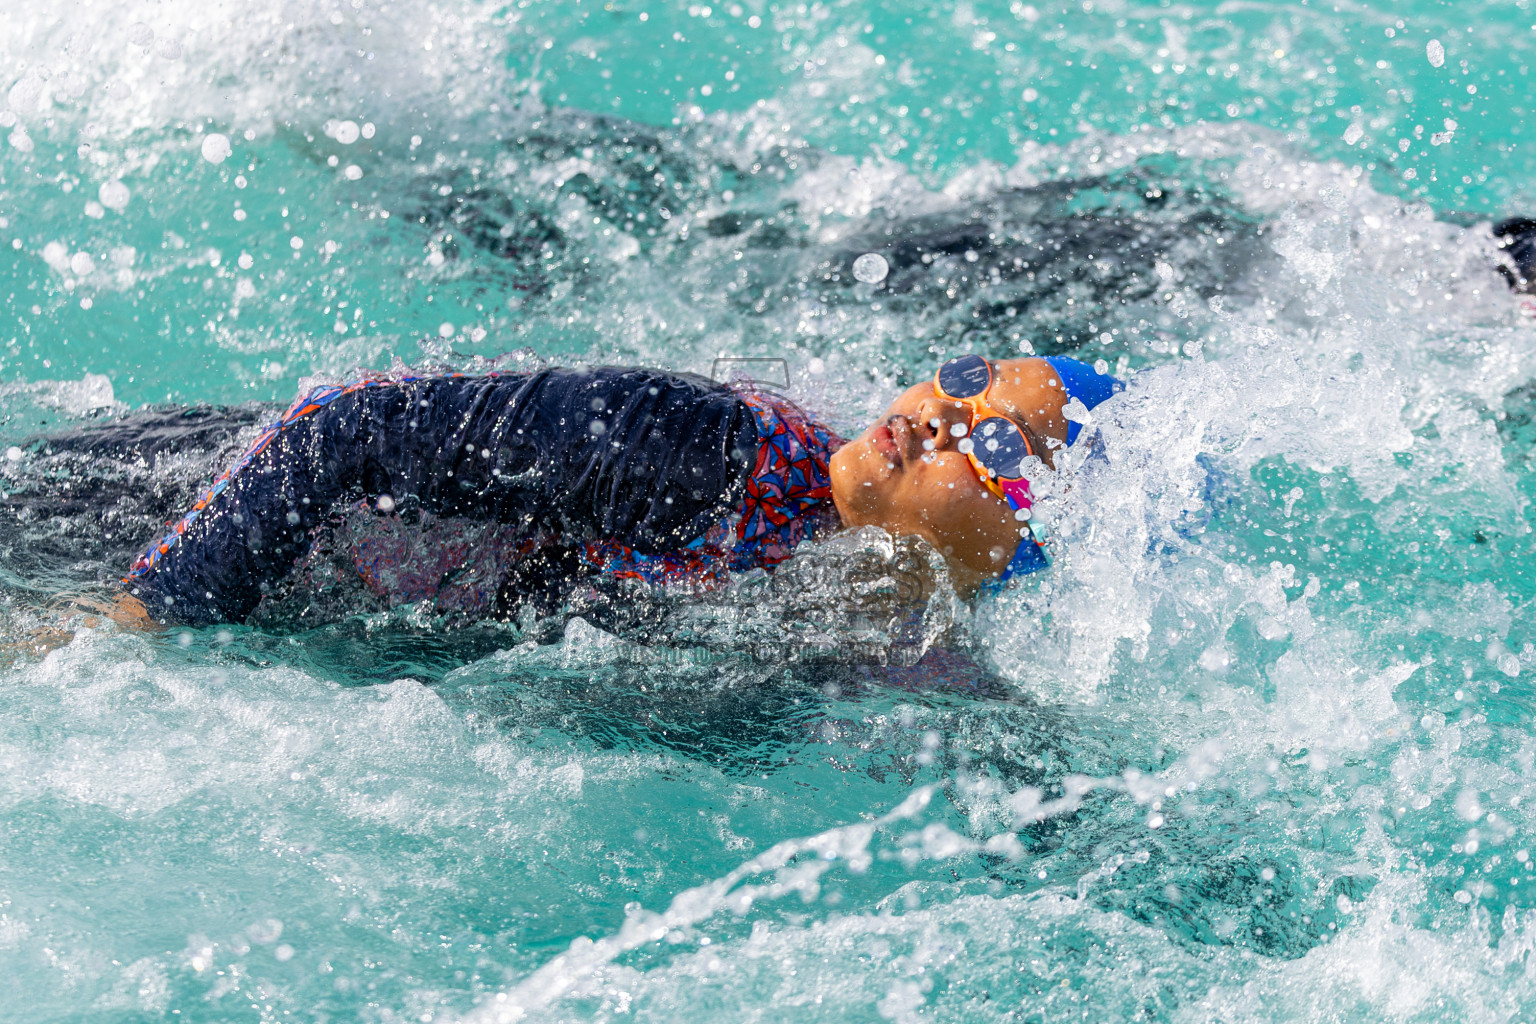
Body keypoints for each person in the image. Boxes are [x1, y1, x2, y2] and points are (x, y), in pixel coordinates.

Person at [114, 353, 1122, 630]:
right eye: (966, 377)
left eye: (991, 437)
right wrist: (139, 616)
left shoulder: (889, 619)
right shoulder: (704, 456)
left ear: (1017, 540)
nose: (939, 414)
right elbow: (343, 429)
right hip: (146, 521)